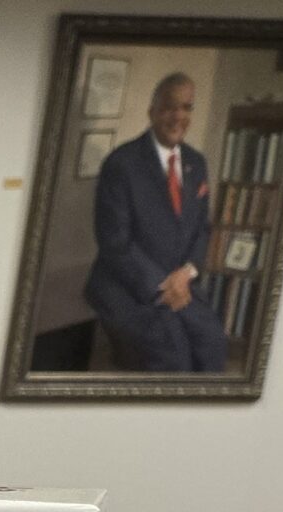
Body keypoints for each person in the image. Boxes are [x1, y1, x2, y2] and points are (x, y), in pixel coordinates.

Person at [84, 72, 225, 373]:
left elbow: (201, 228)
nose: (178, 116)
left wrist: (187, 274)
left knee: (212, 344)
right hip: (130, 287)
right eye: (169, 107)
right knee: (173, 358)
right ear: (153, 111)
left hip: (181, 284)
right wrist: (165, 285)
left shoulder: (196, 163)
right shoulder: (121, 164)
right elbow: (115, 243)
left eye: (186, 107)